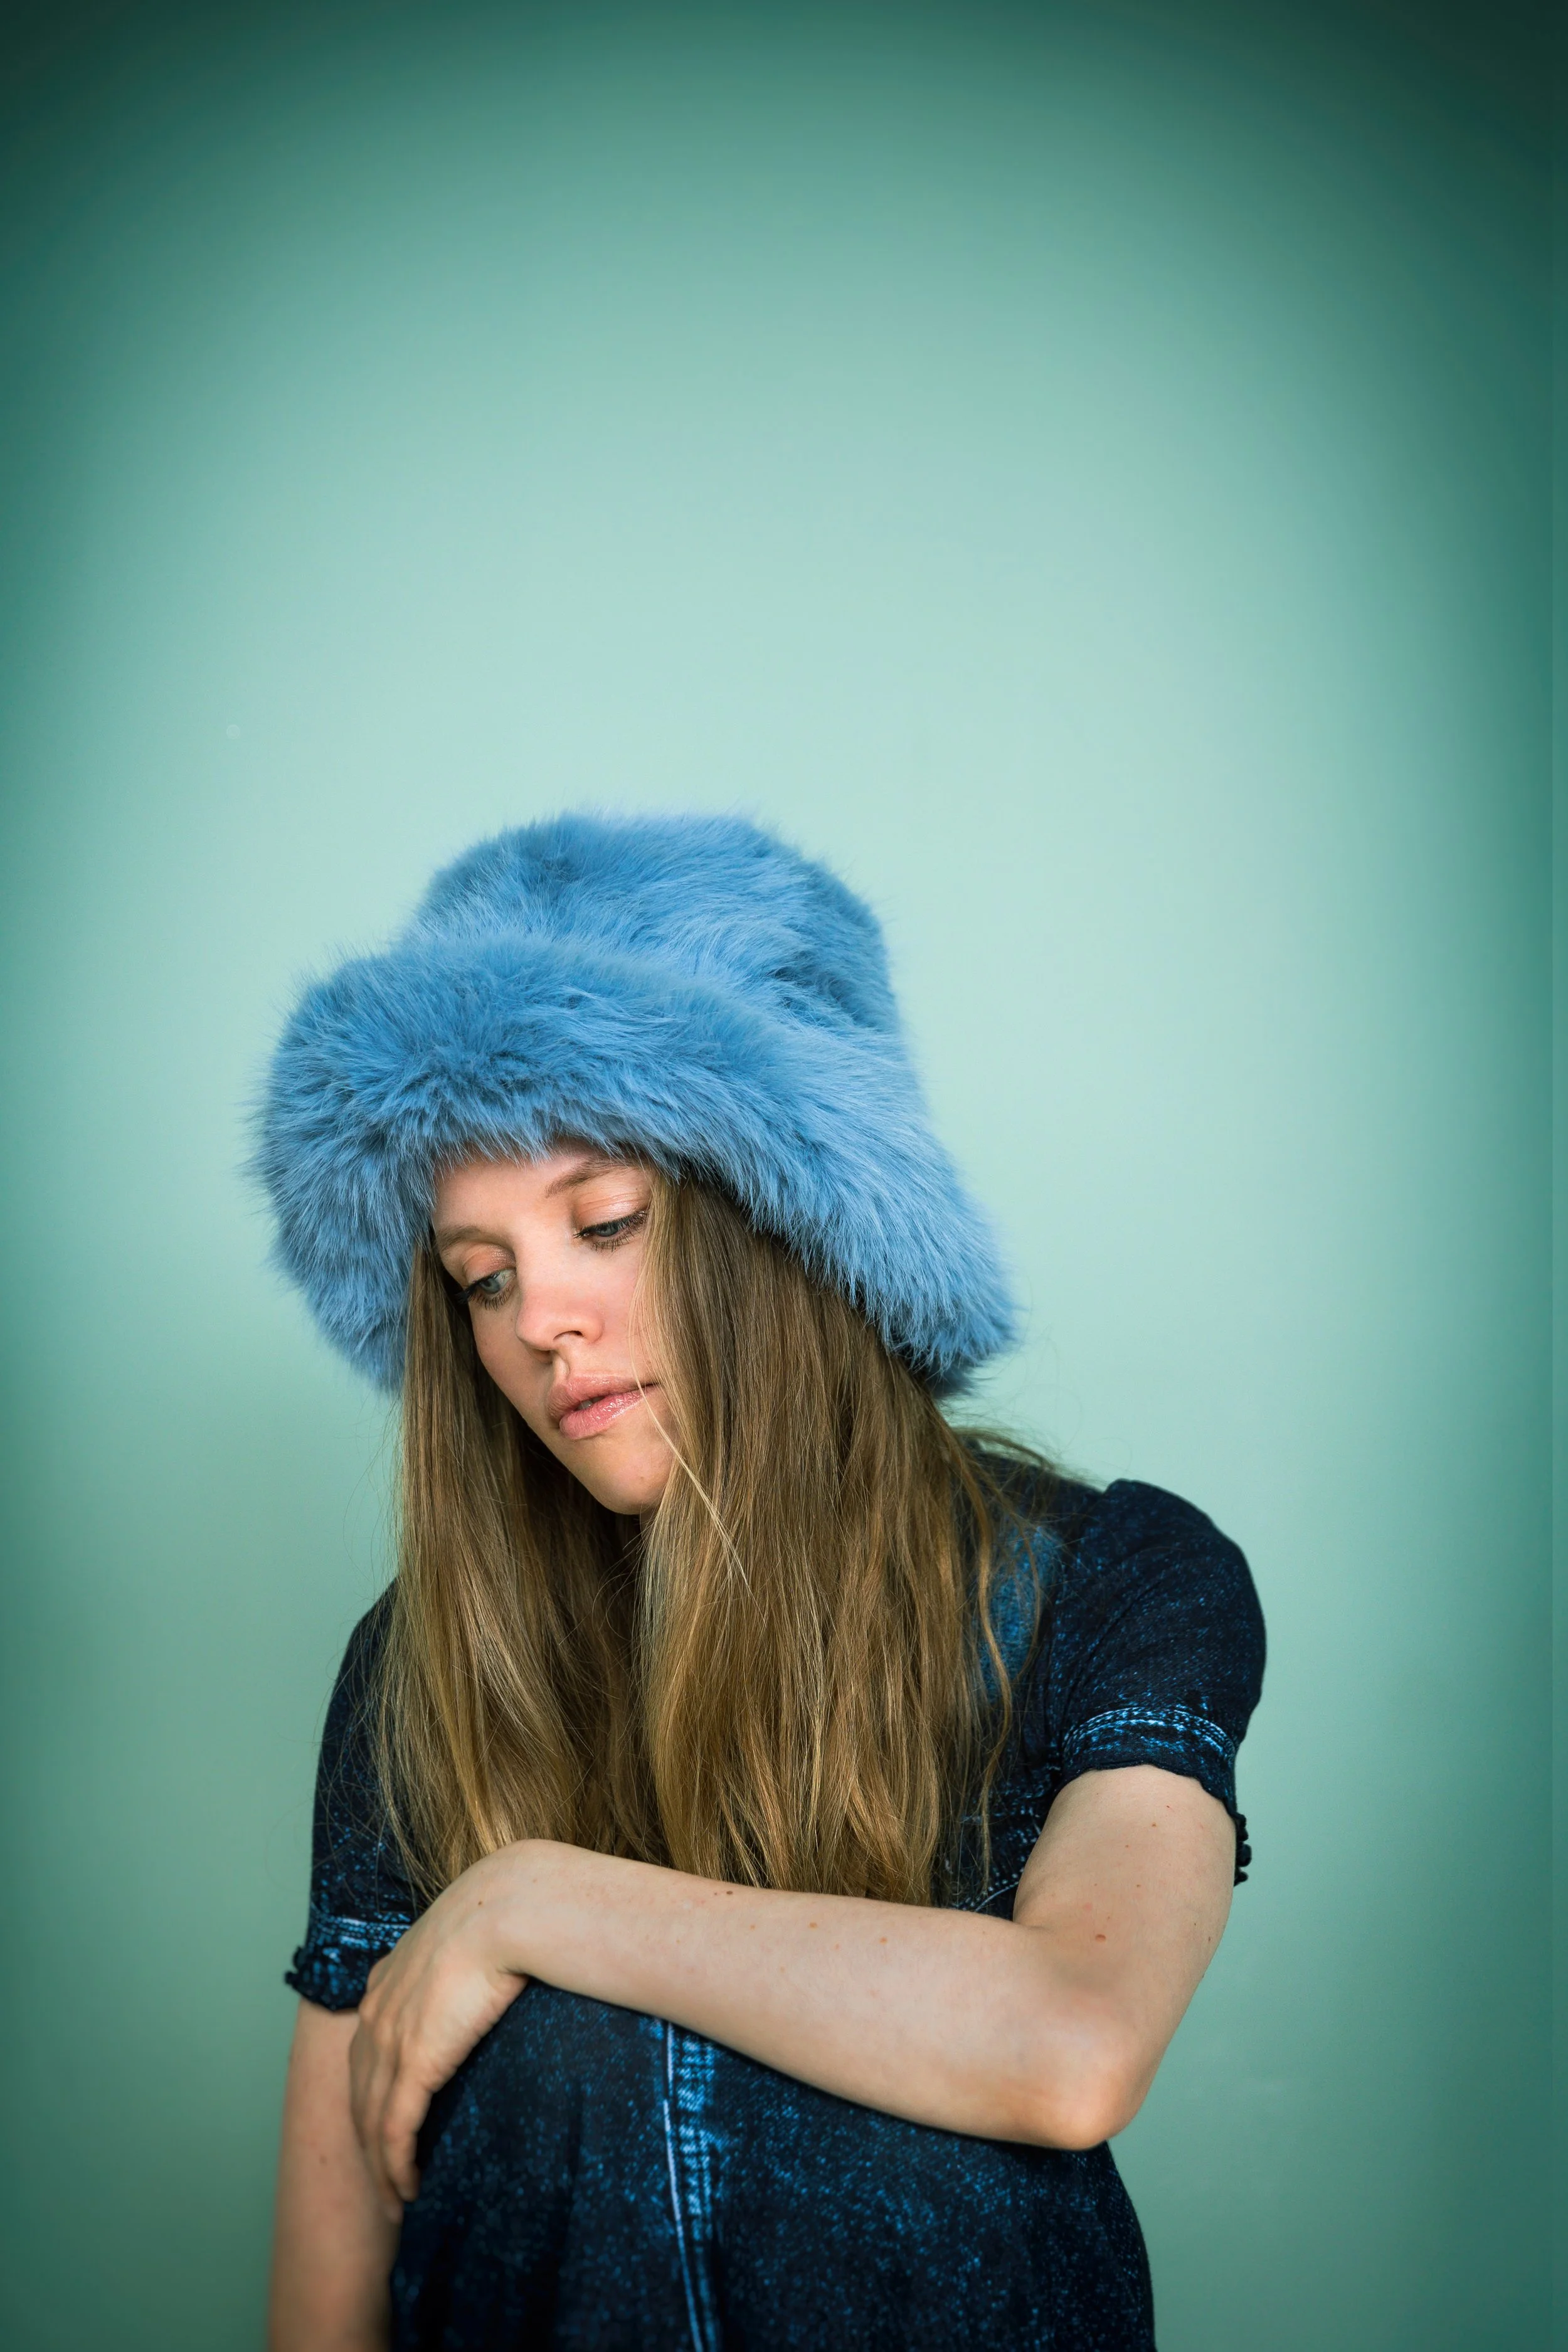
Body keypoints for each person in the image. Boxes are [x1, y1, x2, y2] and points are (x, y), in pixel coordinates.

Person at [258, 812, 1264, 2351]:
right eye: (484, 1275)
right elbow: (324, 2309)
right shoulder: (421, 1666)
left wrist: (532, 1905)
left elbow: (1070, 2044)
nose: (540, 1323)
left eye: (601, 1222)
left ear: (786, 1215)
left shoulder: (1111, 1577)